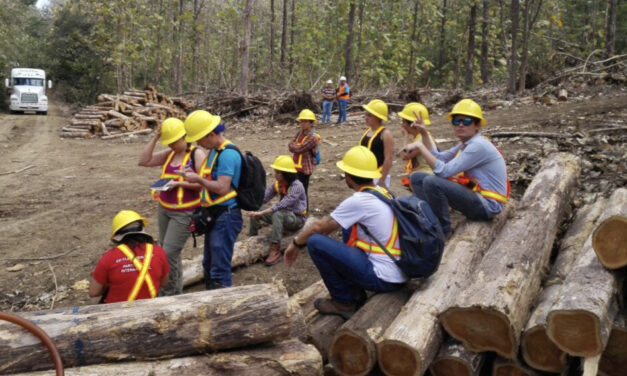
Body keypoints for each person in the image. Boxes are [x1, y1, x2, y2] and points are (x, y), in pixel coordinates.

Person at [283, 146, 407, 319]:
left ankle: (344, 301)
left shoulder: (359, 200)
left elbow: (318, 227)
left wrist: (295, 244)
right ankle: (354, 291)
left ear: (348, 176)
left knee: (315, 242)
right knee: (345, 224)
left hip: (383, 277)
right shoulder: (383, 192)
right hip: (398, 270)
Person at [405, 99, 509, 236]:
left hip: (488, 206)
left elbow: (443, 171)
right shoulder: (466, 143)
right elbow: (439, 157)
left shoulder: (477, 146)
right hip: (477, 197)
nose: (460, 125)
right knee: (417, 177)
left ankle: (443, 230)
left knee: (432, 182)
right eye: (456, 121)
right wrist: (424, 133)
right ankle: (430, 220)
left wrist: (420, 146)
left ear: (477, 125)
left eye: (466, 121)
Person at [138, 118, 205, 296]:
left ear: (184, 137)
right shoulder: (169, 153)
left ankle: (171, 293)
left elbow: (203, 184)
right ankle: (175, 288)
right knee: (168, 253)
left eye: (174, 141)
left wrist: (179, 184)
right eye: (169, 142)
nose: (172, 145)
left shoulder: (196, 154)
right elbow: (144, 161)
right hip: (165, 209)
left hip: (184, 212)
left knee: (168, 253)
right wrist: (155, 137)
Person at [181, 110, 243, 289]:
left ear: (211, 134)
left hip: (226, 215)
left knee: (219, 269)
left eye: (200, 138)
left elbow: (223, 187)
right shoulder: (214, 152)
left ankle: (223, 305)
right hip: (216, 214)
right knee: (208, 264)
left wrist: (198, 180)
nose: (198, 143)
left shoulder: (227, 154)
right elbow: (211, 178)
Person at [89, 210, 170, 303]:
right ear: (142, 230)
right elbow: (164, 283)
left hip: (116, 312)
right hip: (148, 307)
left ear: (117, 236)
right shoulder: (158, 252)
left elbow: (93, 292)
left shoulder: (109, 257)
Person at [248, 155, 307, 266]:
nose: (275, 175)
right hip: (283, 216)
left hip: (296, 219)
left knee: (277, 213)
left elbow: (282, 204)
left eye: (278, 172)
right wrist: (253, 206)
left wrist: (262, 213)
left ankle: (275, 249)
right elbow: (264, 198)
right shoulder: (278, 184)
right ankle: (253, 238)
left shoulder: (297, 186)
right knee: (256, 208)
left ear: (287, 174)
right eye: (276, 172)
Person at [397, 102, 436, 190]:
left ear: (411, 124)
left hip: (425, 177)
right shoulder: (420, 137)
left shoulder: (421, 139)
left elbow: (404, 155)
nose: (402, 124)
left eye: (403, 121)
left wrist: (405, 136)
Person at [359, 99, 394, 189]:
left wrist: (382, 180)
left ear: (378, 117)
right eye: (365, 114)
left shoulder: (385, 134)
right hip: (365, 174)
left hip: (378, 175)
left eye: (369, 115)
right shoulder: (368, 131)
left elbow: (388, 159)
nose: (366, 117)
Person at [288, 109, 320, 206]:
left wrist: (294, 146)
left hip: (305, 169)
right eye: (301, 121)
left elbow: (299, 148)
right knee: (295, 190)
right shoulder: (299, 133)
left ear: (311, 123)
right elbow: (290, 145)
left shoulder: (313, 138)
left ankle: (304, 211)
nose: (302, 123)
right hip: (296, 167)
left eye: (305, 121)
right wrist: (294, 147)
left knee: (302, 191)